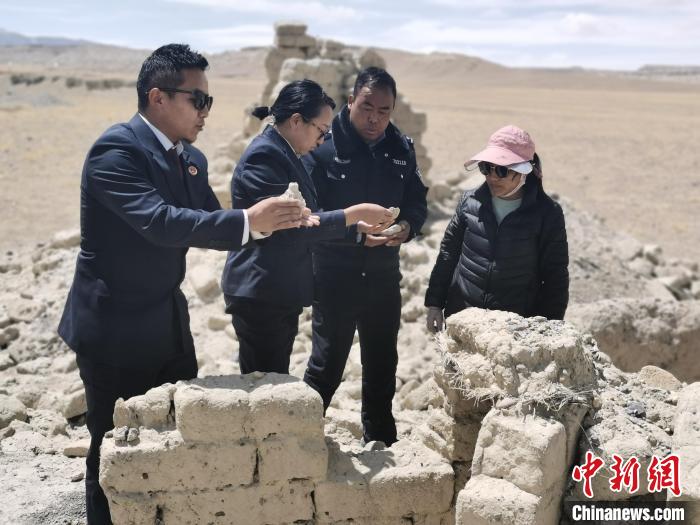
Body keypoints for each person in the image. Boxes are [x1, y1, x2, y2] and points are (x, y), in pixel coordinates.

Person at [57, 44, 313, 524]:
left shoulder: (189, 158)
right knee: (112, 450)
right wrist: (247, 222)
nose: (206, 111)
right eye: (198, 100)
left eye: (208, 101)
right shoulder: (116, 151)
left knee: (171, 443)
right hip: (114, 330)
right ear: (158, 97)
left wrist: (273, 222)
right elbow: (160, 221)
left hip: (168, 326)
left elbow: (210, 222)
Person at [221, 79, 395, 374]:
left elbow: (307, 218)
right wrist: (352, 215)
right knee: (263, 385)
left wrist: (356, 229)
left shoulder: (286, 153)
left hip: (276, 291)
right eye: (321, 130)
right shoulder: (265, 157)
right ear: (296, 121)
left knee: (273, 381)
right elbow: (290, 226)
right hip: (261, 291)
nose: (323, 140)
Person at [302, 67, 428, 446]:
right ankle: (300, 439)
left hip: (383, 276)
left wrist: (406, 228)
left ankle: (381, 441)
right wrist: (353, 232)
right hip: (334, 274)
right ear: (351, 101)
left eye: (384, 111)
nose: (374, 119)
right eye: (367, 108)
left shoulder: (401, 148)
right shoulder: (323, 147)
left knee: (382, 365)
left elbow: (416, 202)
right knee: (327, 364)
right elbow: (309, 215)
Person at [424, 125, 569, 333]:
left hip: (513, 331)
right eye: (486, 168)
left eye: (502, 170)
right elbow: (448, 254)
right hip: (462, 321)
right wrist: (435, 303)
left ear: (524, 172)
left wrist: (550, 330)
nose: (492, 177)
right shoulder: (469, 202)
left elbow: (555, 276)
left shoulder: (547, 214)